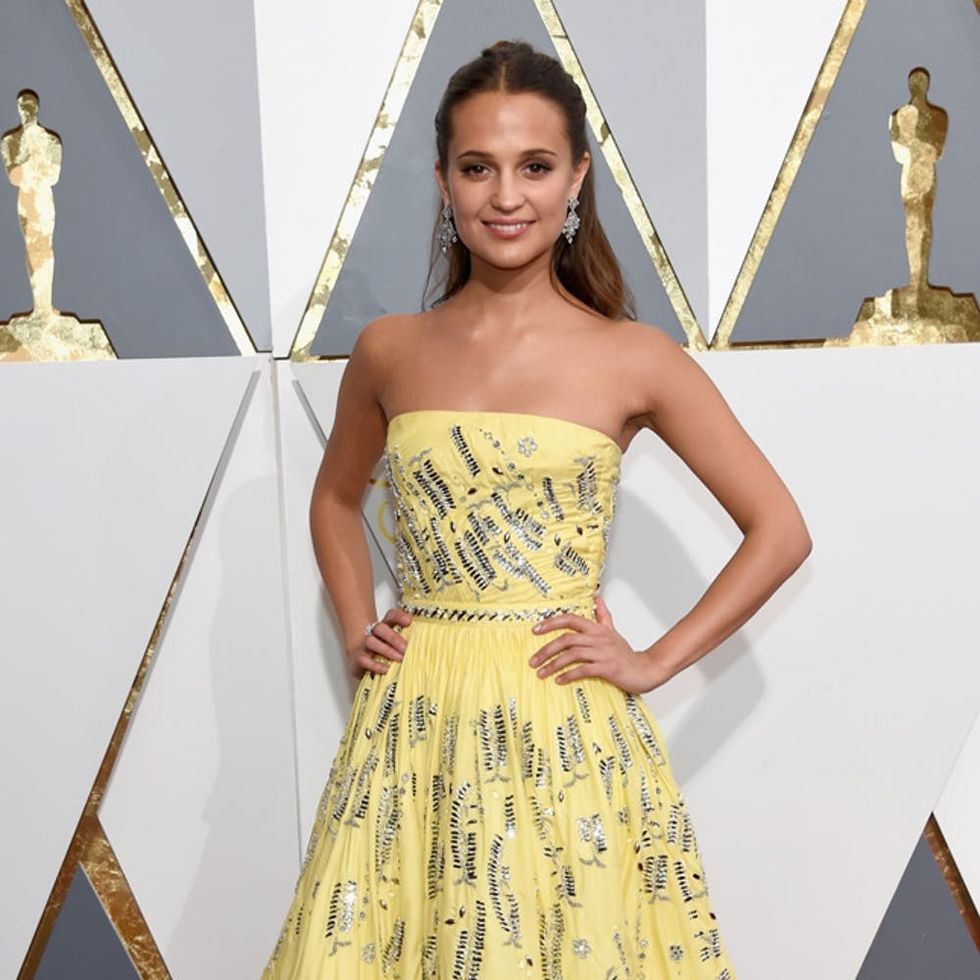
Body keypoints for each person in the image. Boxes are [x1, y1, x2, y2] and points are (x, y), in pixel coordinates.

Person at [262, 39, 811, 979]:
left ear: (577, 180)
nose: (505, 195)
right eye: (478, 167)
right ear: (442, 180)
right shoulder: (389, 350)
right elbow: (334, 498)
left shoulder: (634, 356)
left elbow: (781, 530)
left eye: (534, 166)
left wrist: (651, 659)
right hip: (416, 719)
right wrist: (360, 628)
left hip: (564, 720)